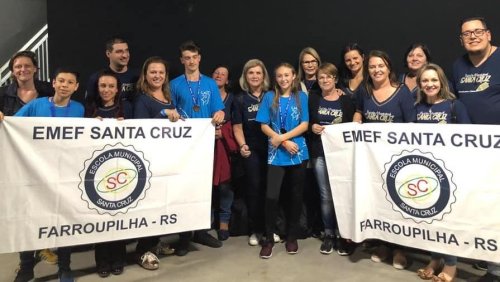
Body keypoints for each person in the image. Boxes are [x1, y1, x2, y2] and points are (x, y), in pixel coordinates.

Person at [10, 68, 84, 282]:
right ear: (53, 82)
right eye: (61, 80)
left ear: (76, 87)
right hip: (35, 174)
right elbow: (13, 125)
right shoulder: (36, 105)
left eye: (70, 82)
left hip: (65, 175)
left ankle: (64, 267)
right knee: (28, 220)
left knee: (65, 222)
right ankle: (26, 267)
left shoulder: (79, 109)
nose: (64, 85)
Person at [353, 50, 415, 270]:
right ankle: (382, 245)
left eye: (380, 66)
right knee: (378, 202)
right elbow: (359, 111)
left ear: (389, 68)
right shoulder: (365, 90)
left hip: (397, 159)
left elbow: (411, 125)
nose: (376, 70)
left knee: (398, 204)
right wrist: (356, 123)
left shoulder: (402, 92)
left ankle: (400, 249)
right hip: (372, 159)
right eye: (372, 67)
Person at [451, 16, 500, 282]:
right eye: (466, 34)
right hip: (472, 150)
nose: (472, 36)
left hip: (498, 149)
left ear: (488, 34)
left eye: (477, 31)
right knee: (483, 205)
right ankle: (492, 261)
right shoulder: (459, 66)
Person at [0, 50, 58, 269]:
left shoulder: (49, 90)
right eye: (18, 67)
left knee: (43, 204)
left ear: (36, 68)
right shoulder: (3, 93)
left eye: (27, 66)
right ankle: (25, 261)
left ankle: (43, 247)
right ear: (12, 71)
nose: (22, 70)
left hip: (45, 159)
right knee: (21, 208)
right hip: (14, 160)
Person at [414, 63, 469, 282]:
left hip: (451, 172)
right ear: (419, 84)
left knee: (448, 219)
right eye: (425, 80)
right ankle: (435, 259)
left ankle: (451, 265)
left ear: (441, 82)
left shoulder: (455, 106)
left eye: (434, 80)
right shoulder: (417, 108)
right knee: (432, 218)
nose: (430, 84)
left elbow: (469, 139)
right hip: (426, 172)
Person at [170, 40, 225, 255]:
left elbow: (218, 111)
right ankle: (184, 236)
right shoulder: (174, 84)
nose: (191, 61)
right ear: (182, 60)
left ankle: (202, 231)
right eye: (187, 58)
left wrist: (220, 114)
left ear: (199, 59)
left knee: (206, 187)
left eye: (194, 57)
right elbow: (170, 110)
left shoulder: (211, 84)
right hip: (183, 145)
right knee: (184, 189)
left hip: (206, 143)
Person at [256, 63, 309, 259]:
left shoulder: (301, 97)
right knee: (271, 197)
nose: (283, 79)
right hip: (276, 154)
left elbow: (305, 124)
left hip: (298, 153)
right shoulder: (269, 97)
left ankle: (291, 237)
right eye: (279, 76)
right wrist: (282, 141)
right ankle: (268, 239)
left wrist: (284, 139)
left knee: (295, 197)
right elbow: (263, 125)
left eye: (287, 75)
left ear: (294, 76)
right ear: (275, 78)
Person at [132, 56, 180, 271]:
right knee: (148, 205)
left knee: (162, 203)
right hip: (148, 158)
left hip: (166, 157)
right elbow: (139, 127)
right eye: (153, 72)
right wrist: (162, 113)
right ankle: (143, 249)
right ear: (145, 74)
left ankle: (155, 242)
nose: (157, 76)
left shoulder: (168, 95)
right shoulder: (142, 98)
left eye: (161, 72)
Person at [308, 63, 354, 255]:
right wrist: (313, 127)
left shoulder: (347, 100)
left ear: (335, 79)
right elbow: (309, 120)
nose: (325, 80)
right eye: (321, 78)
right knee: (326, 196)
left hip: (341, 155)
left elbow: (352, 125)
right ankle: (328, 234)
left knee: (342, 195)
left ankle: (343, 234)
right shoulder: (314, 98)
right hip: (320, 152)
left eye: (328, 77)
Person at [84, 70, 127, 278]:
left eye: (111, 86)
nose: (107, 90)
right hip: (97, 172)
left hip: (123, 170)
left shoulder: (126, 109)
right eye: (103, 86)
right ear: (97, 88)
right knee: (100, 218)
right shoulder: (88, 110)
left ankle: (119, 259)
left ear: (117, 89)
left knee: (119, 216)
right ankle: (101, 261)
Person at [233, 59, 277, 246]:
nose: (255, 76)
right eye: (251, 73)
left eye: (258, 73)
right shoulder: (240, 99)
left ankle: (271, 229)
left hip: (274, 150)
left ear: (264, 76)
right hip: (252, 152)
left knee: (272, 191)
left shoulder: (272, 96)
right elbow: (237, 127)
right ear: (245, 76)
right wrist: (242, 146)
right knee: (254, 190)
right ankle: (256, 230)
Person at [211, 65, 238, 241]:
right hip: (205, 147)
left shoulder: (232, 99)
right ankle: (206, 221)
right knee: (206, 187)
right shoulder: (204, 97)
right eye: (216, 73)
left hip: (226, 148)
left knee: (225, 186)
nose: (219, 75)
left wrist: (223, 133)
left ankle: (224, 222)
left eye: (223, 74)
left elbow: (237, 123)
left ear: (227, 80)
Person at [85, 37, 139, 119]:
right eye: (119, 52)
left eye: (126, 51)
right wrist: (92, 120)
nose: (125, 55)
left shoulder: (138, 77)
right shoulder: (97, 78)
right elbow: (89, 105)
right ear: (108, 54)